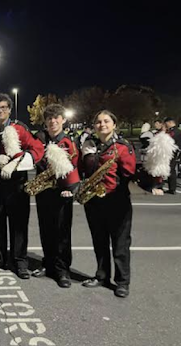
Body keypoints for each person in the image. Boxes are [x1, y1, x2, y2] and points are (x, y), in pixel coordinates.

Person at [0, 93, 44, 279]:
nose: (1, 110)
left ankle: (19, 261)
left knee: (19, 224)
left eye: (4, 107)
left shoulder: (19, 128)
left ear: (9, 109)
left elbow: (36, 150)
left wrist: (15, 164)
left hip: (17, 185)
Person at [79, 110, 136, 298]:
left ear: (114, 124)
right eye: (98, 122)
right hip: (94, 201)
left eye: (106, 121)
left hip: (116, 201)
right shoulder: (89, 144)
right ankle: (102, 275)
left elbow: (130, 174)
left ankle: (122, 282)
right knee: (99, 241)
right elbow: (82, 170)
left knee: (120, 244)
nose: (102, 124)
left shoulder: (122, 146)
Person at [29, 104, 80, 288]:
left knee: (62, 233)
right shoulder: (39, 139)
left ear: (63, 120)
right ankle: (48, 264)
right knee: (46, 230)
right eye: (49, 118)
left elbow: (75, 165)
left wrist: (71, 188)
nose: (53, 121)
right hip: (44, 191)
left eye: (56, 117)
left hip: (62, 192)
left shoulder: (69, 141)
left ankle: (62, 269)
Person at [164, 117, 181, 194]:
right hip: (170, 152)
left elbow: (177, 144)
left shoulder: (176, 132)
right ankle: (171, 187)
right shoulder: (172, 131)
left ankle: (172, 188)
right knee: (170, 169)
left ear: (170, 122)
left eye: (166, 123)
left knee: (171, 169)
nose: (166, 125)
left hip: (172, 153)